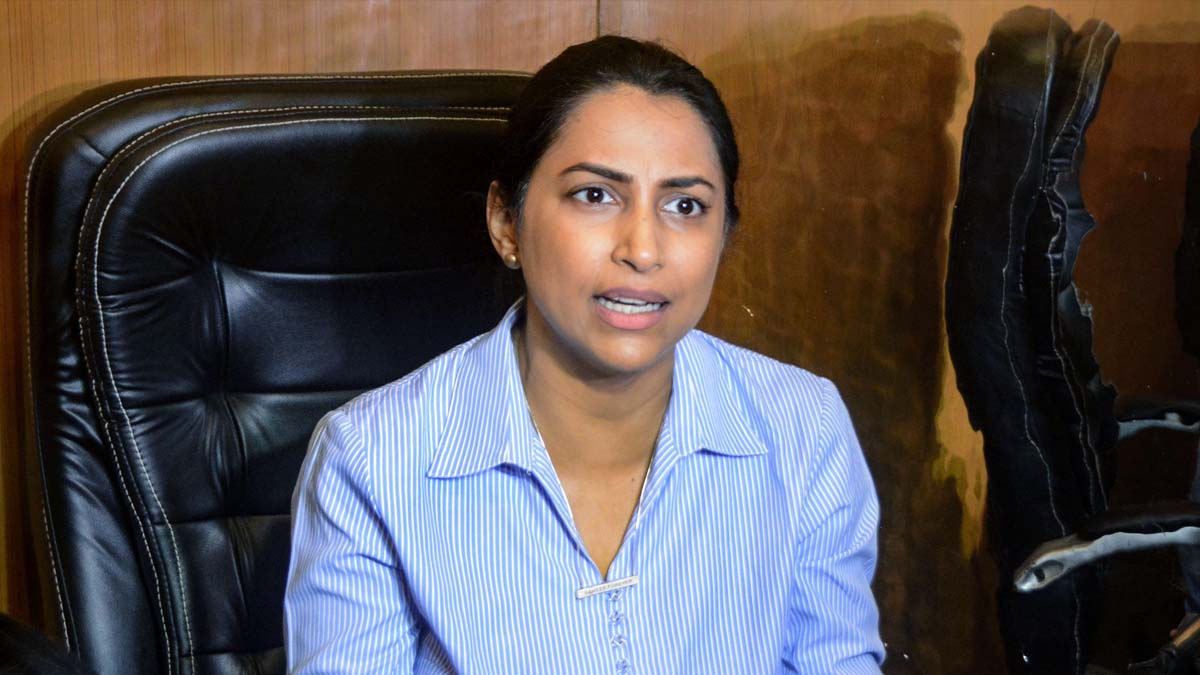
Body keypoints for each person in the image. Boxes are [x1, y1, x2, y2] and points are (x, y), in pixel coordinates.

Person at [284, 35, 883, 674]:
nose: (643, 249)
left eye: (685, 205)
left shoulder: (803, 427)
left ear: (723, 235)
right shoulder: (371, 459)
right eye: (595, 195)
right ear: (506, 222)